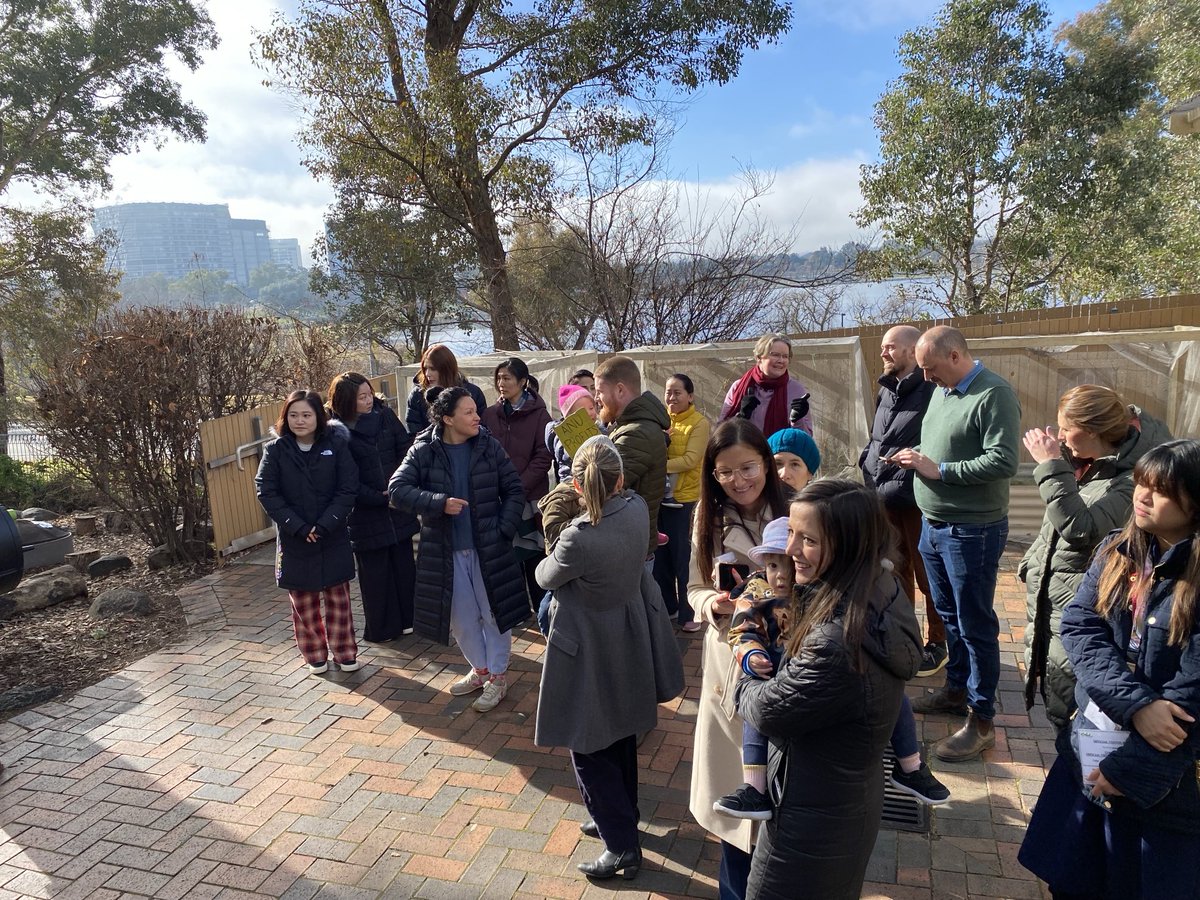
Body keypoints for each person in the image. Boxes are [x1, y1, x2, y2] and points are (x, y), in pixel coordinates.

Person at [1018, 439, 1200, 899]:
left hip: (1164, 782)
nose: (1141, 496)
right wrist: (1136, 704)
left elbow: (1192, 696)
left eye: (1159, 490)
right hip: (1093, 751)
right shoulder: (1116, 551)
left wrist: (1130, 771)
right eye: (1140, 483)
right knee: (1073, 879)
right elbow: (1080, 627)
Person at [734, 480, 922, 899]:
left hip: (809, 823)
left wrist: (745, 679)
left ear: (849, 545)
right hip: (847, 800)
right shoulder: (882, 588)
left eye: (809, 540)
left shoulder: (836, 643)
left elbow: (767, 710)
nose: (792, 549)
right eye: (793, 534)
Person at [534, 436, 684, 882]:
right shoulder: (636, 508)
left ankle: (621, 847)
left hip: (586, 645)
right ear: (620, 479)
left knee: (587, 745)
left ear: (577, 485)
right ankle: (619, 817)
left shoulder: (578, 538)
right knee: (619, 734)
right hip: (626, 633)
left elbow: (545, 577)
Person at [891, 326, 1021, 762]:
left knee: (975, 622)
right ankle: (955, 690)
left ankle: (982, 720)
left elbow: (1003, 460)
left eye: (929, 368)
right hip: (934, 524)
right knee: (948, 615)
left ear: (954, 357)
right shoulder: (943, 392)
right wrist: (914, 455)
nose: (924, 378)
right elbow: (940, 444)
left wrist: (940, 470)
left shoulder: (993, 394)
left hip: (973, 530)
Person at [1020, 385, 1170, 731]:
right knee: (1059, 694)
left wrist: (1051, 466)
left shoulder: (1134, 478)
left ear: (1094, 432)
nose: (1058, 436)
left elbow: (1083, 529)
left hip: (1085, 605)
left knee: (1078, 712)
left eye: (1065, 429)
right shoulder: (1090, 461)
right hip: (1056, 594)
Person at [687, 418, 792, 900]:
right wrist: (713, 604)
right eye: (725, 472)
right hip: (731, 659)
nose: (738, 480)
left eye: (748, 467)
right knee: (736, 809)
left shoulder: (799, 511)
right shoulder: (706, 517)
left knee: (786, 795)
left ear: (765, 465)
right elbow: (693, 586)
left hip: (789, 658)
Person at [388, 386, 530, 712]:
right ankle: (480, 671)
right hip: (445, 552)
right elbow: (397, 490)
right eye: (468, 412)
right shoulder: (423, 449)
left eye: (475, 411)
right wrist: (438, 503)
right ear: (448, 419)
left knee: (494, 614)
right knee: (462, 620)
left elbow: (513, 489)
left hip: (488, 548)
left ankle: (497, 677)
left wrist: (504, 529)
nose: (477, 417)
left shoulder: (488, 446)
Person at [859, 325, 948, 676]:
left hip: (915, 499)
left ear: (912, 352)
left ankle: (938, 643)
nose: (883, 353)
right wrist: (866, 464)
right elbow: (876, 438)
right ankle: (902, 635)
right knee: (895, 572)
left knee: (928, 575)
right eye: (882, 347)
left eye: (890, 347)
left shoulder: (932, 391)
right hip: (883, 497)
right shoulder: (886, 390)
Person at [255, 390, 360, 674]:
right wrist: (298, 527)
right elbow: (266, 491)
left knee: (338, 598)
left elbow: (347, 488)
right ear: (285, 418)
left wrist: (326, 523)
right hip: (295, 538)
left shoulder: (336, 446)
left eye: (306, 415)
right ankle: (314, 654)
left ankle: (345, 652)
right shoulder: (275, 450)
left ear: (318, 417)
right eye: (293, 415)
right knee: (303, 601)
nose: (300, 421)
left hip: (332, 533)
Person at [326, 372, 417, 642]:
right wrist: (378, 497)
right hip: (365, 513)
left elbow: (406, 448)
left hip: (397, 503)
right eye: (361, 397)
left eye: (369, 394)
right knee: (375, 575)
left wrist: (400, 484)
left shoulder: (385, 415)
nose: (368, 400)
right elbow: (345, 479)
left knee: (404, 566)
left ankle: (411, 620)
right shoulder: (336, 431)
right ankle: (382, 628)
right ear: (345, 400)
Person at [713, 517, 793, 820]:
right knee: (752, 716)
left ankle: (911, 765)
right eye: (773, 567)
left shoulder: (814, 590)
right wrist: (751, 654)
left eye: (789, 566)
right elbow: (742, 629)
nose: (781, 576)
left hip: (798, 675)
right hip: (766, 670)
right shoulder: (757, 589)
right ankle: (755, 789)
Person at [480, 357, 554, 602]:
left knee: (533, 552)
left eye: (507, 378)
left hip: (530, 497)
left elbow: (543, 457)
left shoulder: (541, 415)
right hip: (498, 498)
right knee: (507, 556)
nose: (501, 383)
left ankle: (541, 606)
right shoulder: (490, 415)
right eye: (499, 378)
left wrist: (518, 488)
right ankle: (517, 609)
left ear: (523, 382)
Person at [594, 355, 670, 560]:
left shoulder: (637, 432)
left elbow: (600, 486)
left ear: (619, 390)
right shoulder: (632, 426)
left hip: (629, 550)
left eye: (600, 391)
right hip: (631, 541)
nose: (596, 399)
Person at [655, 374, 710, 631]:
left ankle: (689, 613)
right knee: (661, 555)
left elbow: (690, 459)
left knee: (683, 557)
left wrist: (655, 467)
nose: (672, 397)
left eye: (678, 392)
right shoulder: (660, 421)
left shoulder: (699, 424)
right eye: (668, 392)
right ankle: (669, 606)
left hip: (685, 499)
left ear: (690, 396)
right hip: (660, 498)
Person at [719, 334, 813, 439]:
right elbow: (720, 433)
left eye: (785, 356)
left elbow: (807, 439)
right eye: (775, 355)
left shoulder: (796, 390)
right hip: (745, 453)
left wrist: (797, 420)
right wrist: (741, 417)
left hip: (779, 454)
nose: (781, 360)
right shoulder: (738, 387)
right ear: (759, 358)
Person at [405, 344, 488, 435]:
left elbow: (482, 427)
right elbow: (414, 432)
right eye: (425, 368)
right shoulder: (417, 395)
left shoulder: (473, 393)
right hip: (429, 446)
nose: (427, 373)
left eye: (433, 369)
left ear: (446, 369)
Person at [547, 383, 599, 485]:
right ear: (569, 418)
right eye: (581, 411)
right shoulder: (563, 439)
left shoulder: (600, 429)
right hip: (572, 483)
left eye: (591, 408)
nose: (589, 413)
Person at [767, 428, 820, 492]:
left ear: (809, 473)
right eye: (778, 464)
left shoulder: (824, 501)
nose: (784, 475)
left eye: (795, 464)